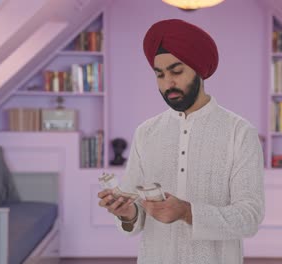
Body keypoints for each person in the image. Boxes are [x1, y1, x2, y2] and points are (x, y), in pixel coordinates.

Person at [97, 19, 265, 264]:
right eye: (160, 75)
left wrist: (188, 212)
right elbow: (136, 212)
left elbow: (249, 217)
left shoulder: (239, 133)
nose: (168, 84)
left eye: (176, 72)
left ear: (198, 70)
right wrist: (127, 213)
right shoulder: (146, 132)